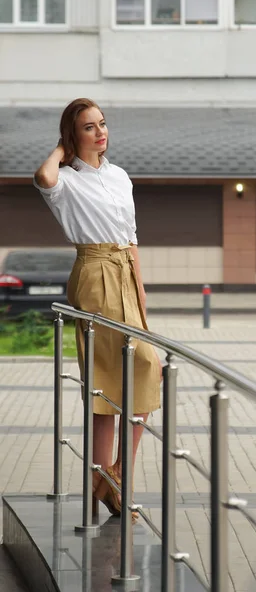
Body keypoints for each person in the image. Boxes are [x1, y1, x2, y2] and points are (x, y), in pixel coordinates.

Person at [33, 98, 161, 521]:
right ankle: (109, 477)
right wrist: (60, 148)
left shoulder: (120, 176)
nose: (100, 132)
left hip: (124, 270)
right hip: (94, 272)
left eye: (103, 124)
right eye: (89, 127)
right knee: (122, 372)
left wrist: (140, 290)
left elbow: (132, 235)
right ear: (74, 135)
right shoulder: (66, 180)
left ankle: (110, 476)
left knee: (142, 367)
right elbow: (42, 176)